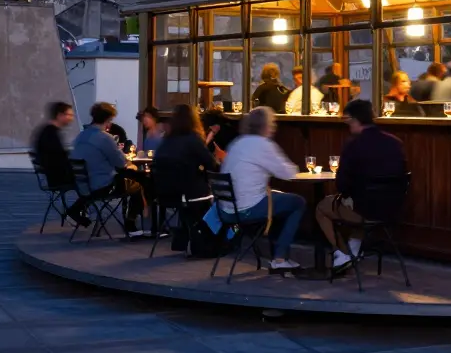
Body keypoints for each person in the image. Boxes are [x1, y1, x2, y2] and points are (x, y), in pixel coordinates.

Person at [317, 99, 408, 272]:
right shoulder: (395, 142)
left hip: (363, 212)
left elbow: (342, 185)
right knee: (361, 203)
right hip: (392, 209)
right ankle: (353, 249)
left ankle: (343, 254)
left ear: (353, 119)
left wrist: (347, 194)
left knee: (322, 207)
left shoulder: (353, 145)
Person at [220, 107, 304, 273]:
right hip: (247, 210)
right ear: (266, 126)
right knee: (297, 203)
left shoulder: (237, 143)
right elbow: (287, 173)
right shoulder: (263, 145)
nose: (274, 128)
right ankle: (279, 258)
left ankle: (276, 252)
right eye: (272, 124)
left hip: (227, 211)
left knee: (279, 202)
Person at [70, 102, 146, 237]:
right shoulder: (105, 138)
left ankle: (78, 208)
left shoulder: (80, 136)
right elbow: (120, 162)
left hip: (83, 186)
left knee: (126, 179)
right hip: (103, 186)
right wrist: (130, 163)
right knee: (137, 185)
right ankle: (131, 225)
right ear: (108, 120)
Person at [152, 105, 216, 249]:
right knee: (209, 197)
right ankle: (203, 239)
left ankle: (186, 236)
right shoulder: (193, 139)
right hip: (189, 193)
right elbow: (212, 164)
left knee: (189, 198)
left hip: (165, 194)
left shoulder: (166, 140)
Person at [30, 101, 88, 226]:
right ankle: (75, 212)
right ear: (60, 115)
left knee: (89, 179)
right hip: (57, 177)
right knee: (94, 181)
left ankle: (79, 212)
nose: (71, 119)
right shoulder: (51, 134)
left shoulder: (47, 131)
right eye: (69, 115)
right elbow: (59, 161)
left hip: (53, 175)